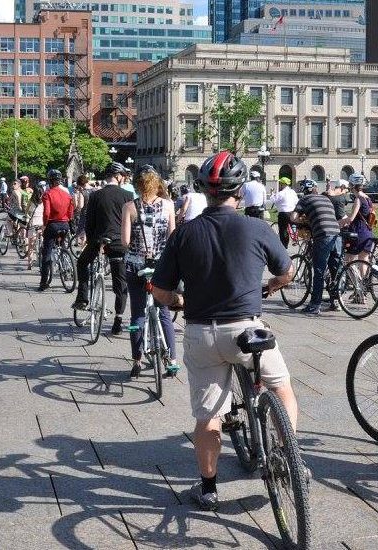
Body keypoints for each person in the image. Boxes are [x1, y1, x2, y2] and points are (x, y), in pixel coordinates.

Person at [150, 151, 298, 511]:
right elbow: (287, 270)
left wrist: (177, 302)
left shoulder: (185, 233)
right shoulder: (257, 227)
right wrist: (271, 287)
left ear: (204, 189)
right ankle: (288, 458)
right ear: (240, 190)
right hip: (247, 330)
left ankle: (208, 488)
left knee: (208, 416)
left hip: (202, 332)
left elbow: (160, 289)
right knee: (281, 388)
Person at [121, 166, 178, 378]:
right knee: (163, 312)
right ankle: (172, 360)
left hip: (136, 266)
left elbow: (125, 241)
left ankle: (136, 360)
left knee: (137, 315)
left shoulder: (129, 207)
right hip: (161, 267)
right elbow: (172, 238)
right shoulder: (169, 205)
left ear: (137, 184)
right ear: (157, 184)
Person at [72, 162, 132, 335]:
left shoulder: (95, 195)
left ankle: (83, 297)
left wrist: (91, 242)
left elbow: (90, 222)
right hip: (119, 243)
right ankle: (118, 320)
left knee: (82, 263)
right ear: (119, 177)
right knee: (120, 283)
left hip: (98, 240)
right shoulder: (127, 195)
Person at [291, 179, 343, 315]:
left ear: (303, 190)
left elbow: (293, 217)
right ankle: (336, 301)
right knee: (334, 269)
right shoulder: (325, 199)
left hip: (323, 234)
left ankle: (314, 305)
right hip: (337, 233)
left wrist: (304, 220)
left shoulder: (304, 199)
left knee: (319, 270)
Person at [38, 169, 74, 291]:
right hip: (65, 224)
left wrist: (44, 225)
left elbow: (46, 212)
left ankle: (43, 283)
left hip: (53, 224)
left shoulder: (48, 194)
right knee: (62, 245)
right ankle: (66, 263)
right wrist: (67, 219)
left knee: (46, 253)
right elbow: (71, 211)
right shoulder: (67, 194)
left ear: (50, 181)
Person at [339, 174, 376, 276]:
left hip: (358, 233)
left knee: (348, 260)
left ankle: (357, 283)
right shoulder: (367, 198)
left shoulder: (358, 199)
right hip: (368, 232)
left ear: (352, 185)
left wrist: (338, 223)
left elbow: (351, 219)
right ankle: (363, 284)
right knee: (363, 260)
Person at [267, 177, 299, 248]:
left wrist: (272, 193)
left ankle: (284, 245)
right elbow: (296, 201)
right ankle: (295, 238)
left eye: (280, 184)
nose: (280, 185)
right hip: (292, 212)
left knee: (283, 229)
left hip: (283, 213)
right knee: (293, 225)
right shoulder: (293, 192)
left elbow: (273, 200)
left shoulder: (281, 193)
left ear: (283, 184)